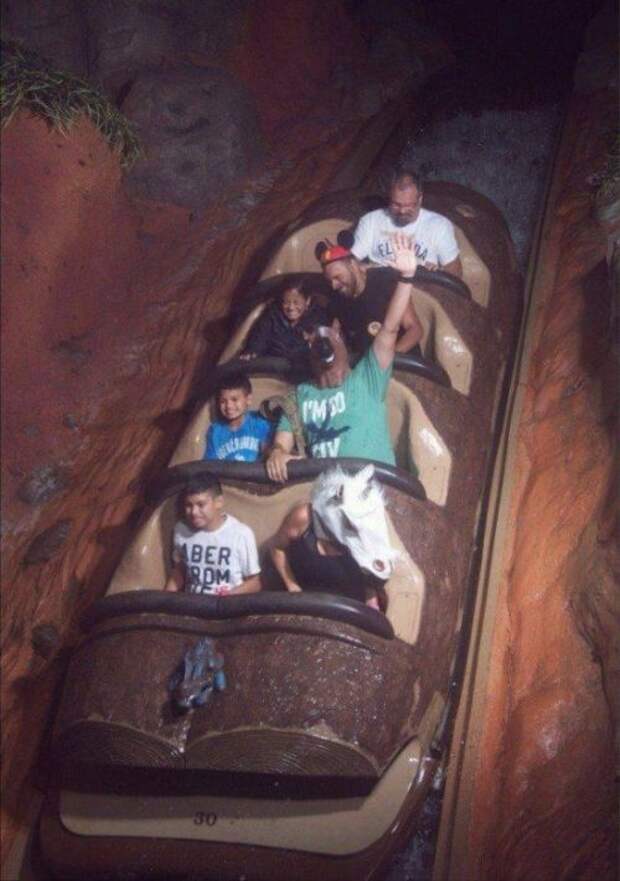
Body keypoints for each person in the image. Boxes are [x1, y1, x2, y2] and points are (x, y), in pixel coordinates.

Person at [266, 233, 417, 483]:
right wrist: (278, 452)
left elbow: (390, 329)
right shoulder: (300, 395)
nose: (323, 342)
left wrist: (407, 277)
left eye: (329, 338)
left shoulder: (366, 378)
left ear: (342, 343)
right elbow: (282, 442)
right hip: (326, 490)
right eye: (316, 341)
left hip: (370, 487)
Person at [270, 464, 396, 610]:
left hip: (348, 606)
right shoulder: (303, 517)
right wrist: (292, 585)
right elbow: (277, 547)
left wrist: (371, 600)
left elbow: (371, 576)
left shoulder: (370, 529)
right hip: (304, 603)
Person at [317, 237, 423, 355]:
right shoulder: (336, 298)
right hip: (363, 361)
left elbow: (414, 329)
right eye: (330, 281)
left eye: (337, 277)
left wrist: (386, 360)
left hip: (400, 359)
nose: (334, 285)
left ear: (353, 265)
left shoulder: (386, 281)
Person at [352, 167, 462, 277]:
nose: (402, 211)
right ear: (389, 198)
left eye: (408, 205)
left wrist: (437, 272)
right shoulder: (370, 221)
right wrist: (365, 268)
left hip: (420, 283)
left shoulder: (440, 226)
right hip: (379, 281)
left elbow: (455, 274)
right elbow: (351, 262)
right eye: (396, 204)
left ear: (420, 199)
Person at [165, 473, 261, 596]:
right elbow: (179, 571)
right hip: (192, 603)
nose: (194, 512)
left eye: (201, 505)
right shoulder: (181, 530)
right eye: (189, 505)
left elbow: (254, 583)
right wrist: (164, 600)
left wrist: (228, 596)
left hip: (228, 603)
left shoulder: (241, 534)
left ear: (219, 502)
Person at [239, 277, 331, 362]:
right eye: (286, 302)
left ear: (307, 301)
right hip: (273, 366)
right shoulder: (272, 316)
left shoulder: (318, 318)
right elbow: (259, 338)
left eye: (296, 302)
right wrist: (252, 351)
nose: (291, 308)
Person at [204, 372, 273, 462]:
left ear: (248, 400)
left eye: (234, 400)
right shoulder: (215, 431)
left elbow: (270, 452)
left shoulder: (260, 423)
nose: (229, 406)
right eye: (223, 401)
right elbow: (209, 464)